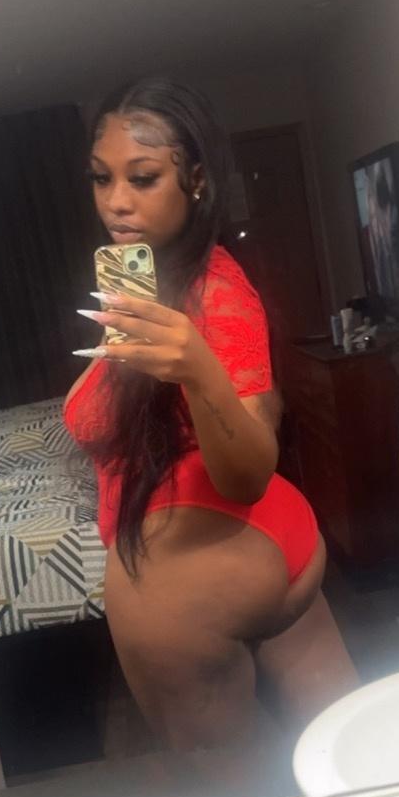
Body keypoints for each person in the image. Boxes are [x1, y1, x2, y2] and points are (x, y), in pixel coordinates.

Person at [64, 76, 356, 756]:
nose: (116, 201)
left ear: (196, 181)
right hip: (264, 545)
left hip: (196, 568)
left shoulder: (217, 295)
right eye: (102, 178)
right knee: (355, 751)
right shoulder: (148, 282)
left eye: (143, 178)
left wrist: (197, 367)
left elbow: (248, 471)